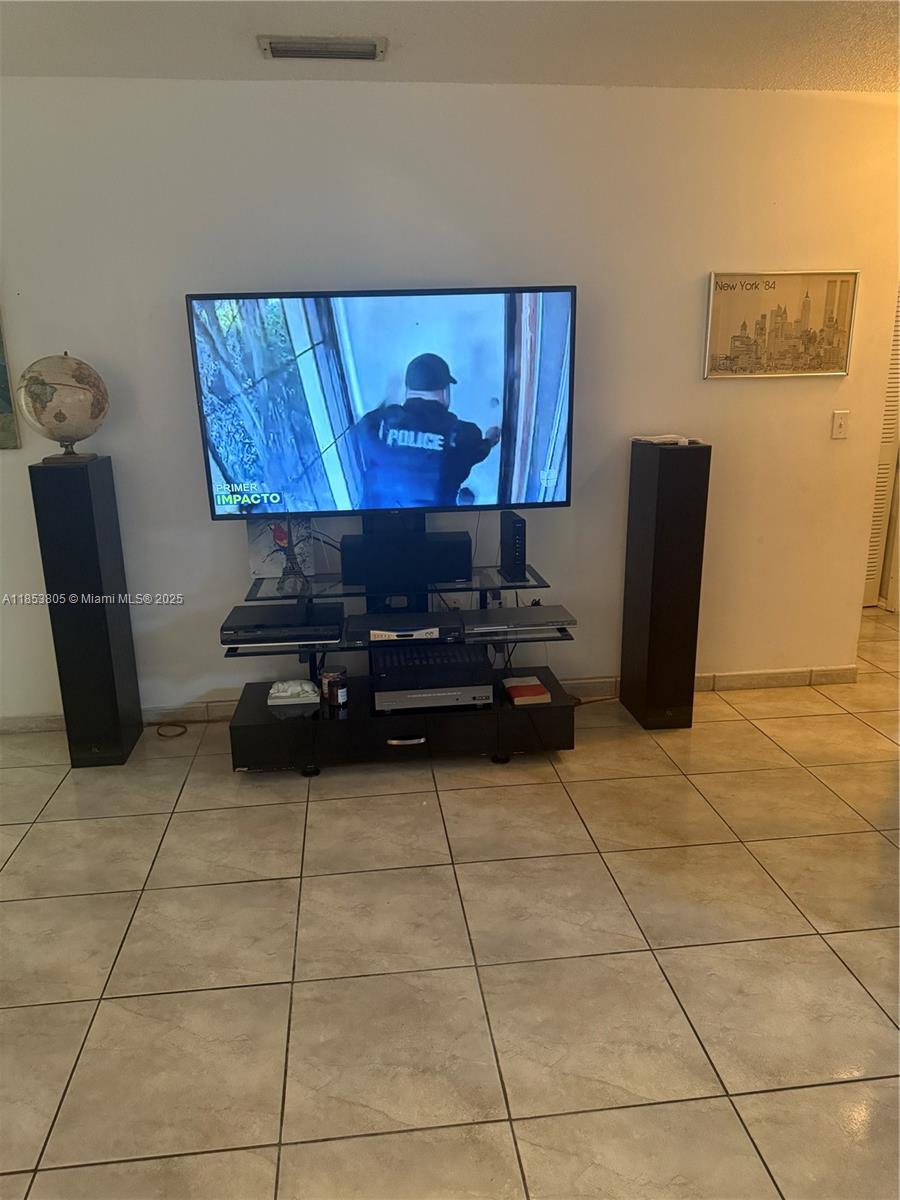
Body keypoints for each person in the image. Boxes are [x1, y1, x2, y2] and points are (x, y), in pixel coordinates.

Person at [353, 353, 501, 508]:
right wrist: (490, 439)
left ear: (407, 390)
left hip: (375, 520)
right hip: (436, 521)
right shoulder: (464, 434)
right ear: (445, 392)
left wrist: (388, 402)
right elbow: (479, 449)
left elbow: (362, 430)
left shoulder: (375, 425)